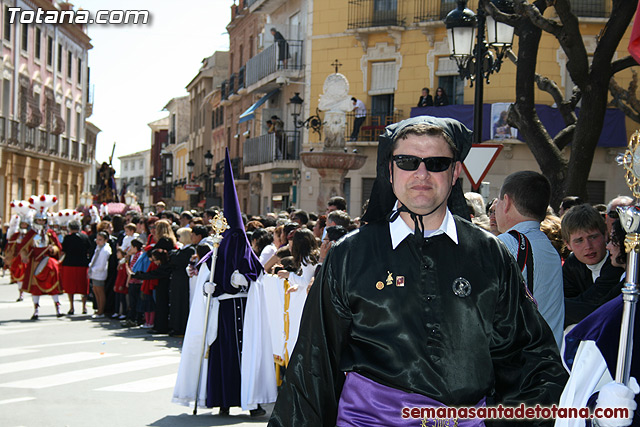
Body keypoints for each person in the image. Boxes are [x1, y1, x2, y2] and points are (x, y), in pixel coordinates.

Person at [269, 116, 567, 426]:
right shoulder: (349, 256)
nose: (421, 173)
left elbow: (529, 358)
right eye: (408, 161)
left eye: (436, 163)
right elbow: (314, 363)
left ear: (455, 173)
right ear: (391, 170)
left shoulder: (489, 254)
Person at [556, 219, 640, 427]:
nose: (608, 246)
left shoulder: (617, 305)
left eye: (612, 239)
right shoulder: (574, 266)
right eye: (579, 240)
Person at [493, 171, 565, 348]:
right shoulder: (549, 249)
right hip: (546, 364)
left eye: (499, 201)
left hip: (516, 365)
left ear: (507, 202)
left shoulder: (505, 244)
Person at [562, 204, 626, 326]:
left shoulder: (617, 264)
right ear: (568, 244)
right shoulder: (572, 264)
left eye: (593, 237)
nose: (588, 246)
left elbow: (594, 306)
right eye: (579, 240)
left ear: (605, 235)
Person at [18, 195, 64, 320]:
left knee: (53, 286)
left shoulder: (50, 233)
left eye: (43, 221)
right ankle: (36, 310)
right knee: (35, 288)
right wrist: (24, 256)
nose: (41, 223)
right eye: (39, 221)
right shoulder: (31, 233)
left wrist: (52, 249)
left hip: (47, 262)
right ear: (35, 221)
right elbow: (22, 247)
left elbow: (58, 247)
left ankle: (58, 308)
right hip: (35, 262)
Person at [60, 219, 92, 315]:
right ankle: (84, 307)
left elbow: (63, 251)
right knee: (83, 286)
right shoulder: (85, 237)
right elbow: (89, 249)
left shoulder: (67, 238)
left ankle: (72, 307)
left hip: (69, 264)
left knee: (70, 287)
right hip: (82, 264)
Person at [88, 231, 112, 319]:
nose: (98, 241)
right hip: (94, 272)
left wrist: (93, 269)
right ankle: (98, 308)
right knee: (96, 291)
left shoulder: (106, 250)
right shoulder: (98, 247)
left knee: (100, 292)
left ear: (106, 240)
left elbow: (102, 264)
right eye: (97, 239)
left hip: (99, 273)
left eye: (100, 240)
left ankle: (101, 310)